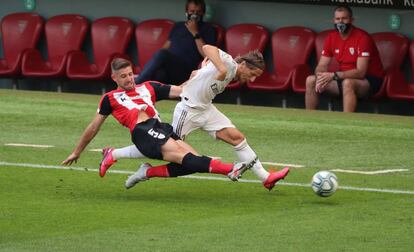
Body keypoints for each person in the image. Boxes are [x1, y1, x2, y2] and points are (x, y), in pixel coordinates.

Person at [101, 46, 290, 191]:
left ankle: (265, 178)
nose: (253, 79)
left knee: (237, 137)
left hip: (206, 109)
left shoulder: (234, 71)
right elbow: (207, 48)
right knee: (169, 152)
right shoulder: (229, 63)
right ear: (243, 65)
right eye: (253, 74)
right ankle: (134, 165)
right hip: (188, 109)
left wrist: (203, 68)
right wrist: (220, 67)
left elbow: (203, 74)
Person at [62, 58, 251, 189]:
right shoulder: (110, 98)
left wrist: (200, 74)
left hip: (161, 128)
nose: (129, 79)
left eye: (130, 74)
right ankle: (231, 168)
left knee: (192, 163)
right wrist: (77, 151)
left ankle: (146, 171)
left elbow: (183, 91)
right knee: (184, 156)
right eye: (123, 76)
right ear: (114, 78)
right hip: (143, 131)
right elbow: (94, 127)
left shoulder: (148, 87)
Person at [305, 6, 385, 112]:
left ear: (351, 20)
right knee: (310, 80)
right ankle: (310, 120)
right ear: (334, 20)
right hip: (343, 77)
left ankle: (346, 122)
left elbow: (361, 72)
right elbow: (322, 65)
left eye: (344, 18)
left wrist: (334, 75)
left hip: (370, 80)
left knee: (348, 83)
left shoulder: (363, 38)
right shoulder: (331, 37)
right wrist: (320, 75)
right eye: (338, 19)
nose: (340, 22)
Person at [135, 0, 216, 85]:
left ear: (203, 13)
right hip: (169, 68)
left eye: (198, 12)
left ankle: (134, 85)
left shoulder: (208, 29)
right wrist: (157, 62)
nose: (195, 14)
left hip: (186, 71)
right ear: (186, 12)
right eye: (192, 11)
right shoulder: (179, 26)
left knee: (162, 55)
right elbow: (166, 47)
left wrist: (195, 32)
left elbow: (207, 55)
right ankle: (137, 92)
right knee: (157, 75)